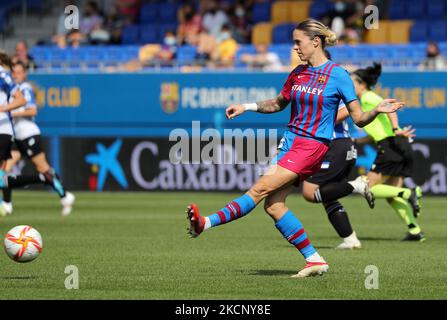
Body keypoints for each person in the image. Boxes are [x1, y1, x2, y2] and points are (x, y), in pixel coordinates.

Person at [186, 19, 404, 277]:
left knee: (258, 190)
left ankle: (204, 224)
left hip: (311, 147)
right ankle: (314, 259)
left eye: (298, 42)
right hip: (289, 142)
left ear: (315, 42)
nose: (295, 48)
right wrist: (247, 106)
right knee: (273, 205)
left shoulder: (338, 75)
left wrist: (377, 111)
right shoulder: (298, 73)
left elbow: (357, 118)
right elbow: (278, 103)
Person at [350, 63, 425, 241]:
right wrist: (354, 141)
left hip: (391, 146)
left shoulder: (367, 97)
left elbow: (388, 107)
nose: (349, 85)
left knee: (368, 187)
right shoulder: (366, 101)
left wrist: (396, 127)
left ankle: (410, 193)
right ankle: (414, 230)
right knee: (392, 195)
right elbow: (373, 133)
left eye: (352, 82)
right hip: (399, 145)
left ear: (361, 84)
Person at [1, 62, 75, 216]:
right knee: (4, 170)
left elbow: (32, 109)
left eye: (19, 72)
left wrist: (10, 114)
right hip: (15, 136)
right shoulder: (8, 88)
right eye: (14, 72)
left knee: (43, 168)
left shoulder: (25, 88)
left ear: (25, 74)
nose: (16, 75)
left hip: (28, 134)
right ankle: (7, 204)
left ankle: (65, 195)